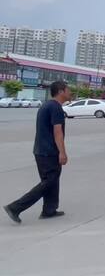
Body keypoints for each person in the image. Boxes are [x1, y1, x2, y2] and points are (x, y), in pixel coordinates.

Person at [4, 81, 72, 224]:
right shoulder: (56, 108)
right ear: (61, 91)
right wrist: (62, 152)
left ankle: (49, 210)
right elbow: (58, 132)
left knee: (52, 181)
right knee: (49, 181)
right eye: (68, 90)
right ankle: (15, 207)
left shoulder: (47, 105)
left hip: (41, 150)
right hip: (49, 152)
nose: (70, 92)